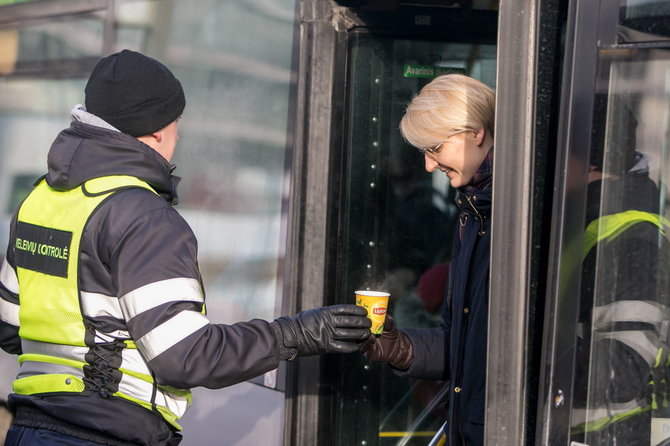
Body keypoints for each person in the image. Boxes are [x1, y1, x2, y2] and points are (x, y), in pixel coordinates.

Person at [0, 49, 371, 446]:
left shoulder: (40, 198)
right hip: (106, 433)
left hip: (30, 429)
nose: (179, 134)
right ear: (158, 129)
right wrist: (297, 334)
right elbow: (185, 355)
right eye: (177, 123)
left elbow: (10, 329)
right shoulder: (142, 215)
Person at [363, 74, 495, 445]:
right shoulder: (473, 213)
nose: (428, 166)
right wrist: (401, 348)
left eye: (434, 148)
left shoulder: (515, 213)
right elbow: (467, 344)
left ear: (475, 133)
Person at [569, 94, 670, 445]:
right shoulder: (586, 220)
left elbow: (624, 369)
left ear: (588, 166)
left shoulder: (636, 238)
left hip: (610, 437)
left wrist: (527, 346)